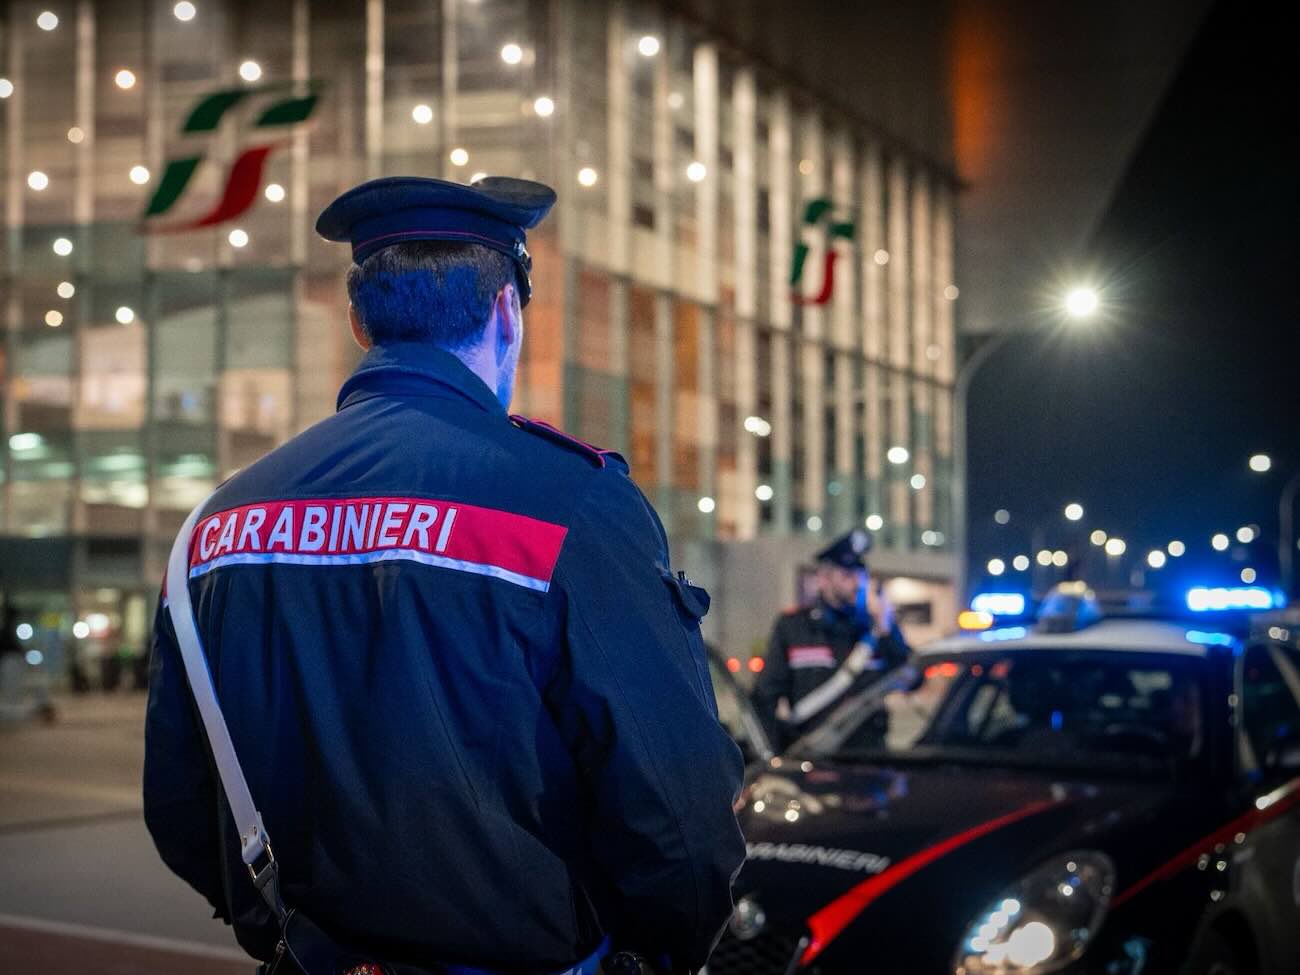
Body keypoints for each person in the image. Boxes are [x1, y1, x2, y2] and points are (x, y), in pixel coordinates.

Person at [143, 176, 746, 975]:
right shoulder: (571, 503)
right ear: (506, 312)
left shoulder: (215, 528)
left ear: (361, 323)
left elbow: (182, 805)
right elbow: (680, 813)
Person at [752, 529, 909, 750]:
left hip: (871, 757)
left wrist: (887, 628)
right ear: (823, 579)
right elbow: (765, 697)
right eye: (847, 576)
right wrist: (773, 753)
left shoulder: (877, 629)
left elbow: (912, 679)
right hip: (812, 757)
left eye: (860, 575)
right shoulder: (794, 626)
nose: (857, 584)